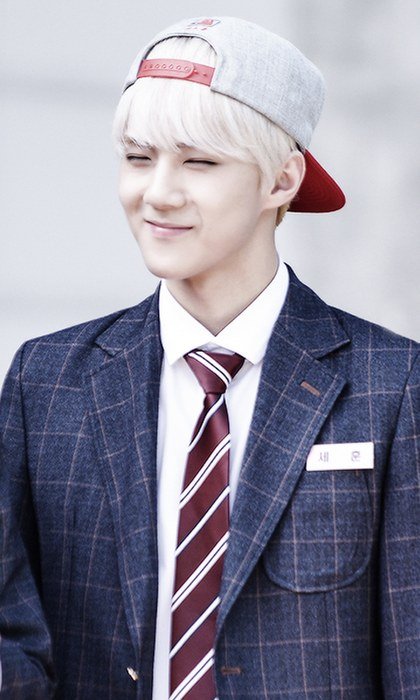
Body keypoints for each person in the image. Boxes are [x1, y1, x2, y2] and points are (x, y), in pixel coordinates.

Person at [0, 15, 419, 699]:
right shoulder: (44, 383)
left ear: (281, 181)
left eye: (199, 162)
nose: (158, 193)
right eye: (139, 158)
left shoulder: (394, 386)